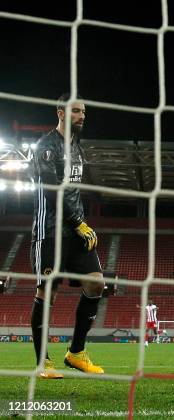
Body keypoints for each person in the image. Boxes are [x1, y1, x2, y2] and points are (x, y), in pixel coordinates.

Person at [31, 93, 104, 378]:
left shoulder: (77, 147)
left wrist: (80, 223)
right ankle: (42, 363)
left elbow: (73, 192)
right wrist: (78, 222)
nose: (82, 116)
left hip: (75, 229)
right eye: (75, 112)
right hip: (49, 232)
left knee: (96, 283)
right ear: (60, 113)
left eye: (84, 111)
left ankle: (76, 353)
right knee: (47, 291)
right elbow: (52, 190)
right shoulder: (45, 147)